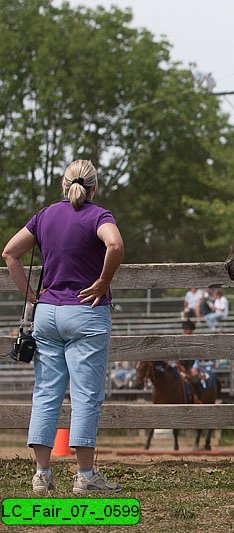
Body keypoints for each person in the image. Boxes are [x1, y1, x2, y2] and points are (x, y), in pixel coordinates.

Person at [1, 160, 124, 493]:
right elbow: (114, 244)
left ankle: (42, 475)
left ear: (63, 184)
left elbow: (10, 252)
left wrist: (30, 295)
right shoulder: (99, 216)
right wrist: (103, 281)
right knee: (85, 395)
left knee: (45, 393)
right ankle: (85, 477)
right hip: (85, 312)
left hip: (47, 314)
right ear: (95, 187)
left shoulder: (44, 216)